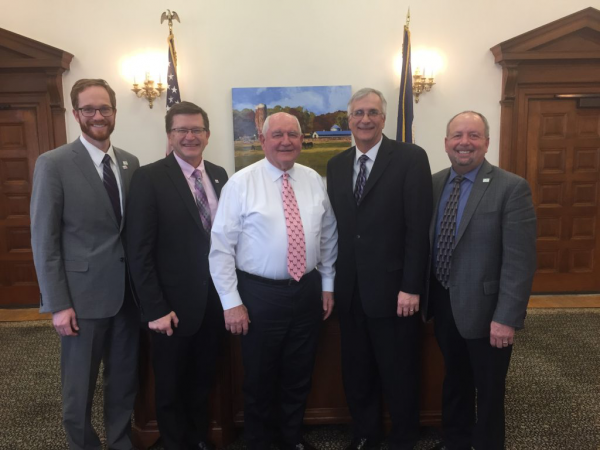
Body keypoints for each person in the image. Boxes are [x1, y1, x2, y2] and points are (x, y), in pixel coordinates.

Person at [209, 112, 338, 450]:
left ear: (301, 139)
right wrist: (231, 302)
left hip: (307, 291)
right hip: (259, 295)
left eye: (292, 134)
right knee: (260, 378)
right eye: (277, 135)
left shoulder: (312, 179)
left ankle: (291, 438)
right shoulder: (241, 183)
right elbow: (221, 248)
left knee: (299, 375)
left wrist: (327, 284)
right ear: (263, 141)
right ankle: (260, 442)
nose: (285, 141)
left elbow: (327, 236)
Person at [30, 78, 140, 450]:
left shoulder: (129, 162)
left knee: (123, 379)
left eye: (104, 108)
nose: (98, 116)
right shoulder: (54, 164)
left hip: (128, 296)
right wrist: (57, 304)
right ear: (76, 113)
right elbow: (44, 240)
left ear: (114, 112)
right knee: (79, 386)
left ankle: (120, 440)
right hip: (80, 299)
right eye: (89, 109)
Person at [326, 88, 433, 450]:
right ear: (349, 119)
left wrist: (411, 286)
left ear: (384, 119)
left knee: (398, 371)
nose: (365, 119)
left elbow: (419, 228)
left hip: (395, 292)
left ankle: (403, 438)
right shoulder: (336, 165)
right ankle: (366, 434)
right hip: (351, 291)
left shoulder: (410, 158)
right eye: (358, 113)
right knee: (357, 373)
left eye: (373, 112)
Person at [423, 111, 537, 450]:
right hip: (444, 302)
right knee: (454, 379)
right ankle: (455, 440)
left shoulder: (511, 187)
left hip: (489, 312)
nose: (464, 142)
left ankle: (488, 444)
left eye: (474, 135)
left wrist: (506, 318)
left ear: (486, 142)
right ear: (446, 143)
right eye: (457, 135)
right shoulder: (433, 183)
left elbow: (520, 260)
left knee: (488, 389)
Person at [125, 101, 228, 450]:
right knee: (169, 386)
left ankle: (199, 440)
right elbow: (139, 251)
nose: (189, 136)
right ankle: (174, 444)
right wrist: (154, 308)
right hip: (170, 307)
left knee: (203, 380)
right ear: (169, 136)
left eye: (196, 130)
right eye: (181, 130)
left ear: (208, 135)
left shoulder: (219, 174)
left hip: (214, 304)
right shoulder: (149, 177)